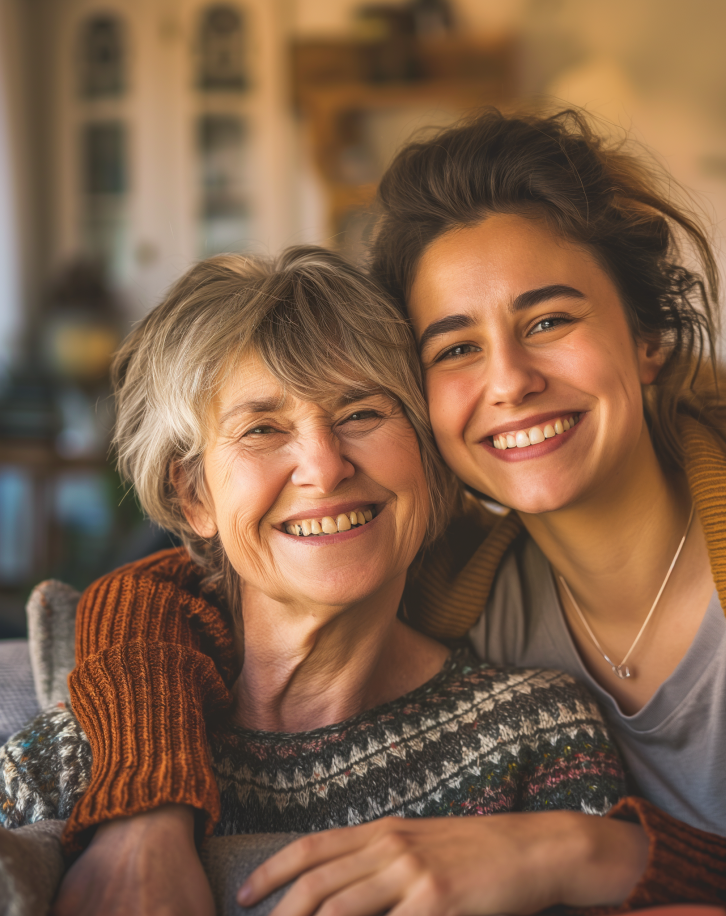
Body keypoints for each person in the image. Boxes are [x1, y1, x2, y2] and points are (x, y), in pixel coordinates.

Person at [54, 111, 726, 915]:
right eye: (457, 346)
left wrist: (574, 851)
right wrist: (145, 810)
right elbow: (180, 594)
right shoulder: (457, 565)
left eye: (549, 319)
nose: (508, 380)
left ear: (648, 339)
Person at [0, 246, 627, 912]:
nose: (324, 469)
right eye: (263, 428)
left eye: (361, 414)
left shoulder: (536, 736)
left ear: (428, 454)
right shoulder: (76, 764)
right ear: (194, 498)